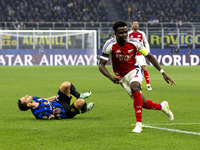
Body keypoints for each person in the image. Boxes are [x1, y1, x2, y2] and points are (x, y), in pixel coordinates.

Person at [99, 20, 176, 133]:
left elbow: (149, 57)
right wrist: (111, 77)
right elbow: (101, 65)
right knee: (142, 103)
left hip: (134, 70)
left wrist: (163, 72)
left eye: (126, 32)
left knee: (135, 87)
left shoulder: (135, 43)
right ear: (115, 34)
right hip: (121, 77)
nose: (124, 35)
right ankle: (162, 107)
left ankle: (138, 125)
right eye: (121, 33)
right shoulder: (109, 45)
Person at [17, 81, 94, 120]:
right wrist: (56, 114)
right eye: (26, 98)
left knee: (66, 84)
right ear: (29, 105)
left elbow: (46, 100)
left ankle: (79, 95)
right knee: (81, 102)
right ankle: (84, 109)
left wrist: (58, 96)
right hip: (65, 112)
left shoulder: (34, 99)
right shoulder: (39, 114)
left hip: (59, 102)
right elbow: (56, 118)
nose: (27, 96)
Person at [129, 21, 152, 90]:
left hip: (139, 54)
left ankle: (148, 85)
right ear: (132, 26)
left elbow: (146, 42)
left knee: (144, 68)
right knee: (131, 70)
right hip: (132, 55)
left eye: (136, 24)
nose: (135, 25)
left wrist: (147, 52)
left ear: (138, 26)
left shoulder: (142, 33)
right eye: (134, 24)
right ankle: (136, 84)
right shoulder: (129, 34)